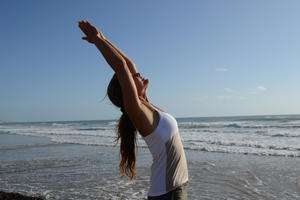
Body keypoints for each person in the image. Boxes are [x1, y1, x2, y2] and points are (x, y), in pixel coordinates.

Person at [78, 20, 189, 200]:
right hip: (169, 193)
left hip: (172, 188)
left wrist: (104, 38)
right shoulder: (136, 110)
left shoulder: (146, 104)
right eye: (134, 77)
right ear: (127, 88)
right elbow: (121, 67)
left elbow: (129, 64)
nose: (138, 74)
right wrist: (97, 41)